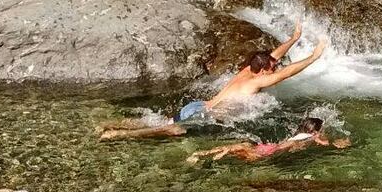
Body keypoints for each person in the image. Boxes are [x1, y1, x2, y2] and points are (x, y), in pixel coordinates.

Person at [98, 20, 327, 141]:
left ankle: (106, 124)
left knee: (161, 121)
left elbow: (273, 56)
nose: (275, 69)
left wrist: (293, 39)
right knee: (169, 130)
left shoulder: (248, 69)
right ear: (262, 71)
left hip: (198, 107)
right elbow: (286, 73)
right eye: (271, 69)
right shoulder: (254, 83)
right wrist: (314, 57)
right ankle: (119, 135)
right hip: (202, 116)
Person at [186, 117, 351, 164]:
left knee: (242, 146)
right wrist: (340, 143)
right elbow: (325, 143)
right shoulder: (312, 137)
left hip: (270, 146)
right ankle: (226, 152)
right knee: (242, 153)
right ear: (315, 131)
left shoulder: (298, 134)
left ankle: (200, 154)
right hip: (272, 151)